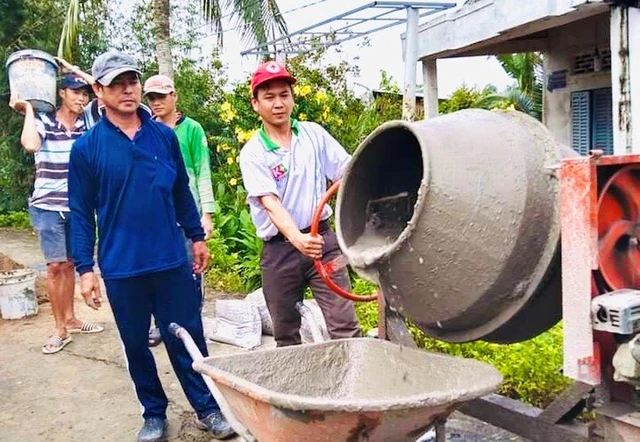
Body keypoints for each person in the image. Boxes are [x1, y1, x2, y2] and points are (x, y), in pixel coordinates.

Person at [67, 50, 234, 442]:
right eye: (116, 83)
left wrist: (195, 236)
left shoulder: (164, 136)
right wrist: (84, 269)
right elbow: (79, 212)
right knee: (136, 344)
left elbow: (180, 192)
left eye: (132, 81)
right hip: (122, 266)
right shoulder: (86, 149)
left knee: (188, 335)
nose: (127, 90)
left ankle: (207, 407)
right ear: (98, 90)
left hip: (171, 259)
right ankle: (153, 413)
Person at [238, 60, 361, 347]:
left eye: (284, 95)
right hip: (280, 251)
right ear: (256, 104)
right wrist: (297, 238)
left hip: (323, 244)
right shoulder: (253, 152)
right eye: (269, 97)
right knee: (285, 332)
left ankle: (356, 388)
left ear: (293, 98)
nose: (278, 103)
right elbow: (269, 202)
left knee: (344, 324)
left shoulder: (313, 135)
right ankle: (293, 390)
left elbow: (348, 171)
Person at [9, 72, 104, 355]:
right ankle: (59, 329)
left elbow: (104, 94)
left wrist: (74, 68)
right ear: (61, 93)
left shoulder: (88, 124)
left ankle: (72, 319)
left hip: (78, 206)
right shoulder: (44, 121)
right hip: (47, 205)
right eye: (75, 92)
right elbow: (31, 144)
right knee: (55, 267)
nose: (82, 98)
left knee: (73, 264)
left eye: (84, 94)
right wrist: (28, 110)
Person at [143, 74, 215, 347]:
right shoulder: (145, 130)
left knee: (192, 270)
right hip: (158, 217)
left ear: (175, 96)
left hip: (187, 215)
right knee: (156, 271)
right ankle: (160, 322)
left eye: (162, 96)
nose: (157, 102)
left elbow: (203, 171)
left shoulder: (191, 129)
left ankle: (190, 321)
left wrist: (206, 214)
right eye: (151, 98)